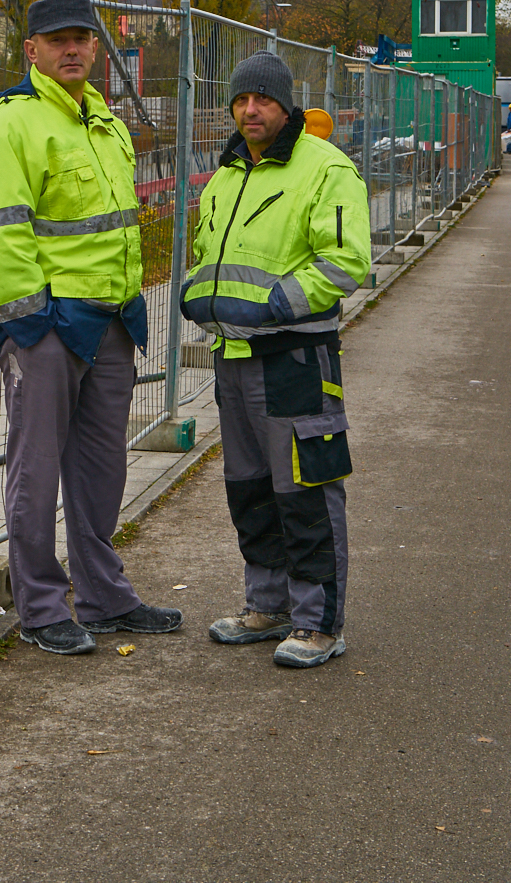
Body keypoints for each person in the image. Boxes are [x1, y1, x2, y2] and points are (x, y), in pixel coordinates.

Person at [0, 0, 180, 655]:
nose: (72, 49)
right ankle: (40, 607)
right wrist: (32, 327)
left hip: (112, 321)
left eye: (82, 39)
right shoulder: (12, 125)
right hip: (50, 328)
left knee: (101, 469)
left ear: (95, 47)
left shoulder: (106, 123)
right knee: (36, 471)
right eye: (57, 40)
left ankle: (104, 596)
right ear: (31, 49)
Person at [181, 49, 370, 669]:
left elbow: (345, 261)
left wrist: (273, 306)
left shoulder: (325, 168)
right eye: (240, 99)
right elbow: (208, 256)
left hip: (293, 359)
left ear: (286, 105)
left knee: (305, 490)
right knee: (251, 490)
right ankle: (267, 606)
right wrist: (197, 294)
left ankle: (318, 623)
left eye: (262, 99)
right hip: (232, 357)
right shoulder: (228, 173)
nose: (250, 109)